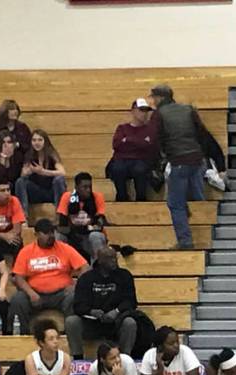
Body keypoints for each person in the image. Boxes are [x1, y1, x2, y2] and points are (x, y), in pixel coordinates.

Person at [9, 218, 90, 337]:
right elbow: (19, 278)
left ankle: (73, 336)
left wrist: (76, 285)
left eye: (52, 232)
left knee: (75, 297)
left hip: (61, 294)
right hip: (35, 293)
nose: (51, 236)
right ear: (36, 234)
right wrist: (31, 293)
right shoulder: (26, 251)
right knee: (18, 300)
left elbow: (85, 267)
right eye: (46, 233)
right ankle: (20, 337)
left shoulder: (64, 248)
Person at [149, 84, 205, 249]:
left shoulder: (159, 115)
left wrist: (157, 163)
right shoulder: (188, 109)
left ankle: (185, 241)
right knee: (198, 199)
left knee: (175, 203)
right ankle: (207, 235)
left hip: (179, 161)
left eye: (153, 98)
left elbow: (155, 141)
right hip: (197, 159)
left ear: (159, 97)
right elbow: (201, 133)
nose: (152, 101)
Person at [66, 246, 138, 358]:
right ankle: (78, 357)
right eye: (109, 258)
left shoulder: (125, 275)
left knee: (130, 323)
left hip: (116, 321)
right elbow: (78, 306)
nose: (114, 261)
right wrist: (91, 311)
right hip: (92, 323)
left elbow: (131, 301)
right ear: (99, 260)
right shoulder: (86, 278)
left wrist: (116, 311)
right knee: (71, 321)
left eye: (115, 258)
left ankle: (125, 358)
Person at [107, 98, 159, 202]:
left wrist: (128, 140)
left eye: (146, 111)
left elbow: (150, 146)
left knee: (140, 170)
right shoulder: (122, 128)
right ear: (133, 111)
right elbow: (117, 145)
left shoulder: (150, 129)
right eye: (141, 110)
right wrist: (140, 142)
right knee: (118, 169)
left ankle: (141, 199)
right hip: (122, 160)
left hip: (141, 160)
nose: (144, 114)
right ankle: (122, 198)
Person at [56, 172, 109, 261]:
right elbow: (62, 224)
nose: (88, 190)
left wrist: (84, 228)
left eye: (90, 187)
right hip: (72, 235)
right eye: (84, 187)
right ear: (76, 188)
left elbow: (99, 224)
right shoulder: (67, 197)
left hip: (89, 236)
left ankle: (98, 266)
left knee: (95, 236)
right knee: (59, 236)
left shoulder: (97, 197)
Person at [14, 129, 67, 212]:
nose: (37, 143)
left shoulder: (51, 154)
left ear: (45, 141)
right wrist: (29, 171)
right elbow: (22, 174)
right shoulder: (29, 155)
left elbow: (62, 172)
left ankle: (61, 215)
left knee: (59, 179)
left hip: (51, 191)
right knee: (20, 181)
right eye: (34, 140)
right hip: (36, 191)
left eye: (40, 140)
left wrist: (43, 172)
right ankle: (23, 217)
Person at [0, 99, 32, 167]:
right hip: (1, 167)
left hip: (20, 166)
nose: (15, 112)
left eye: (16, 109)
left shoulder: (23, 128)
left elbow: (29, 146)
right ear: (5, 112)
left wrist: (17, 145)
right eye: (12, 109)